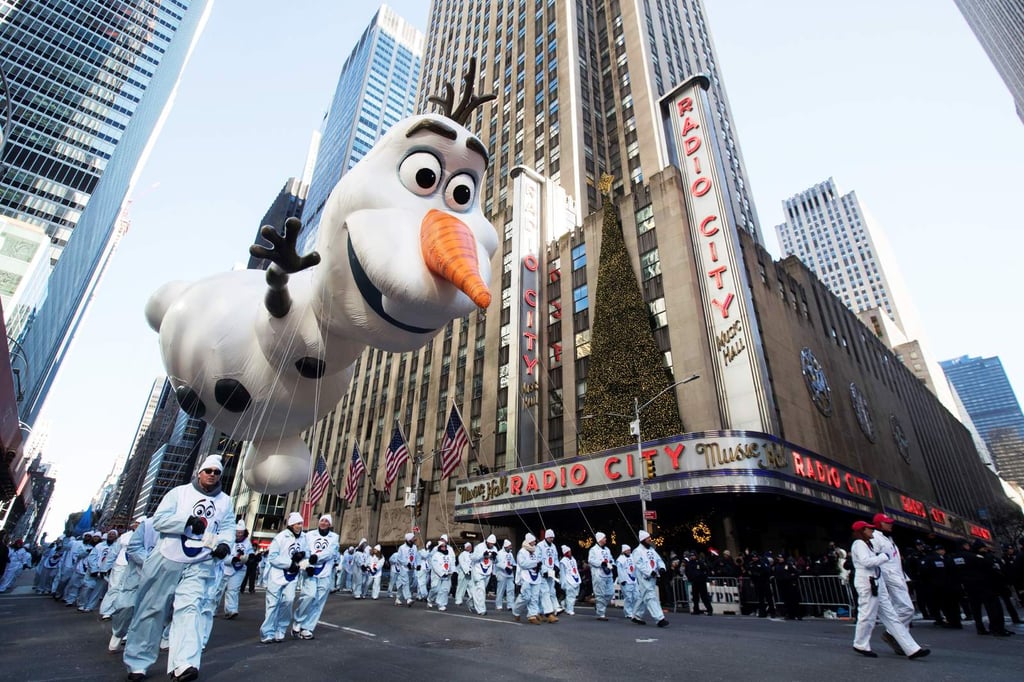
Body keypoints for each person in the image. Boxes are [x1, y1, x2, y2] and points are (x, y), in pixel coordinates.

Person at [123, 455, 235, 682]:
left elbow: (227, 526)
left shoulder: (226, 501)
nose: (212, 475)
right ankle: (138, 661)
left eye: (217, 472)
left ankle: (184, 663)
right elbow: (160, 520)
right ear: (200, 472)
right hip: (167, 557)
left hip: (200, 562)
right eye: (208, 471)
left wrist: (224, 544)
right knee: (152, 610)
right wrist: (186, 522)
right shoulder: (178, 493)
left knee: (190, 609)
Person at [849, 520, 929, 659]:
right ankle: (860, 644)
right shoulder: (859, 544)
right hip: (868, 583)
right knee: (867, 615)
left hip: (876, 581)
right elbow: (866, 562)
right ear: (862, 531)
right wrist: (883, 557)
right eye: (869, 529)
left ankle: (912, 648)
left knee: (891, 617)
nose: (872, 531)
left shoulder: (868, 544)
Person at [108, 516, 157, 653]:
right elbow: (134, 548)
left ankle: (136, 648)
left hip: (158, 578)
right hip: (136, 575)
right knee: (126, 606)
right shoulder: (147, 525)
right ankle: (118, 631)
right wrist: (152, 563)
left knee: (149, 611)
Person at [260, 512, 309, 643]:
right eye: (298, 523)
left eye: (301, 523)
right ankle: (267, 632)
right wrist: (289, 564)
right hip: (277, 575)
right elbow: (272, 557)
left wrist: (303, 557)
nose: (300, 526)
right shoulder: (280, 537)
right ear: (292, 524)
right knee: (273, 605)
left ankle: (280, 629)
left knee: (288, 601)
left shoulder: (304, 538)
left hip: (292, 577)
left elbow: (307, 554)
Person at [293, 514, 340, 639]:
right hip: (310, 571)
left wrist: (317, 557)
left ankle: (307, 628)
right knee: (309, 596)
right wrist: (305, 565)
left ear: (330, 524)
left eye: (326, 521)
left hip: (325, 573)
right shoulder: (309, 535)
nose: (324, 523)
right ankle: (298, 620)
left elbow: (330, 552)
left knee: (318, 602)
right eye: (322, 520)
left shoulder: (334, 537)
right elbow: (303, 552)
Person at [870, 513, 914, 640]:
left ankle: (901, 639)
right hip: (890, 577)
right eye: (887, 522)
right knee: (906, 608)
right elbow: (876, 560)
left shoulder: (888, 538)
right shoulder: (875, 538)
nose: (890, 525)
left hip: (898, 577)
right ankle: (892, 634)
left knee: (900, 608)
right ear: (880, 524)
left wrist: (905, 577)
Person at [216, 521, 252, 619]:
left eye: (241, 532)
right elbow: (221, 553)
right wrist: (232, 559)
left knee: (233, 590)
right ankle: (211, 609)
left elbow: (250, 553)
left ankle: (231, 610)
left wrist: (249, 557)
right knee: (217, 589)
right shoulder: (228, 539)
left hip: (239, 569)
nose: (239, 534)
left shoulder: (247, 542)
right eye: (237, 532)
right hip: (224, 567)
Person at [633, 530, 669, 628]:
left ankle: (637, 615)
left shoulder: (652, 550)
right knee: (650, 597)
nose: (650, 539)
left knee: (644, 597)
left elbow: (658, 560)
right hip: (644, 578)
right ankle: (660, 618)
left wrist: (661, 567)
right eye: (648, 538)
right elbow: (639, 565)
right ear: (643, 539)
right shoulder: (637, 551)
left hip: (653, 578)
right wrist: (649, 572)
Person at [78, 529, 119, 612]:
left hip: (105, 573)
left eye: (113, 534)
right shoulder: (99, 546)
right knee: (87, 587)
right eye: (110, 534)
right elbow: (92, 557)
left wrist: (106, 569)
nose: (111, 535)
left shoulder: (117, 547)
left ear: (116, 537)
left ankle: (90, 606)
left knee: (97, 591)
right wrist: (94, 569)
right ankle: (82, 604)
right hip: (93, 570)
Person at [512, 533, 542, 624]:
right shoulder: (522, 551)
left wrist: (539, 565)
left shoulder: (537, 550)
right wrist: (535, 563)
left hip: (536, 576)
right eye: (533, 541)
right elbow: (523, 564)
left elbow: (540, 560)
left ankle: (532, 616)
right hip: (525, 576)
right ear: (529, 541)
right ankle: (516, 611)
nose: (535, 542)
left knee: (534, 597)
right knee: (526, 596)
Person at [587, 531, 614, 622]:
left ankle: (598, 605)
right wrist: (600, 563)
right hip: (598, 574)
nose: (606, 539)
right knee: (600, 594)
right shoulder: (593, 550)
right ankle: (601, 613)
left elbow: (611, 559)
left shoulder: (607, 549)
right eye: (604, 538)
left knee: (610, 593)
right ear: (600, 539)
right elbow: (591, 560)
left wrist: (612, 564)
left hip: (608, 574)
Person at [470, 534, 498, 615]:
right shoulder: (479, 547)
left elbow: (496, 562)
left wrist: (494, 557)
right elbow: (473, 558)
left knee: (479, 591)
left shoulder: (494, 548)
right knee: (481, 590)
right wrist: (482, 555)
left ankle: (471, 602)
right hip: (478, 571)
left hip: (487, 572)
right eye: (490, 543)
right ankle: (481, 610)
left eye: (493, 544)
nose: (491, 545)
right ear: (487, 541)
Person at [537, 529, 560, 620]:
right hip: (543, 573)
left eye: (553, 537)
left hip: (551, 573)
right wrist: (543, 570)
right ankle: (549, 613)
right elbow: (538, 560)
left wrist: (556, 567)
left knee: (550, 592)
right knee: (545, 592)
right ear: (546, 537)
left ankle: (539, 611)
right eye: (550, 537)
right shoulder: (540, 546)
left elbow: (555, 558)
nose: (552, 539)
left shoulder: (553, 546)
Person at [428, 535, 455, 611]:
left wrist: (452, 571)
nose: (444, 547)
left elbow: (452, 562)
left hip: (447, 575)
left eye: (444, 546)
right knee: (435, 589)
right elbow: (434, 564)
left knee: (445, 590)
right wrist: (441, 573)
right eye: (442, 546)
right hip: (437, 574)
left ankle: (441, 604)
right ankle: (430, 599)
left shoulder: (449, 552)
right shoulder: (436, 553)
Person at [684, 550, 713, 616]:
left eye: (693, 555)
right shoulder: (689, 563)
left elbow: (706, 570)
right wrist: (690, 578)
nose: (692, 557)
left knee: (704, 596)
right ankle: (696, 610)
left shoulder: (700, 562)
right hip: (694, 581)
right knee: (695, 597)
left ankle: (709, 610)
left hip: (701, 581)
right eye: (691, 556)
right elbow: (687, 571)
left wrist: (703, 577)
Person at [617, 544, 640, 623]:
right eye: (628, 550)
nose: (629, 551)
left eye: (630, 550)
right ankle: (628, 613)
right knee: (628, 597)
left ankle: (634, 611)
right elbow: (619, 570)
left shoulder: (632, 557)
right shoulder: (620, 559)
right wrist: (622, 580)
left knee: (636, 596)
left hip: (634, 580)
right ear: (624, 551)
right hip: (626, 581)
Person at [394, 532, 418, 607]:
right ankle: (408, 599)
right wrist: (406, 563)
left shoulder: (414, 547)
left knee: (402, 583)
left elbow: (416, 557)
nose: (414, 540)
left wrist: (417, 565)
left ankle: (397, 598)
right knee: (406, 582)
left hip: (411, 569)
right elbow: (399, 558)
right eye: (413, 538)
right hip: (403, 568)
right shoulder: (402, 548)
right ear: (408, 540)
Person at [559, 545, 581, 615]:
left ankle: (564, 603)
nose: (570, 552)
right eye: (569, 551)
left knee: (574, 595)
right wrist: (563, 582)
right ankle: (569, 609)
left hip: (575, 578)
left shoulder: (573, 559)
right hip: (568, 580)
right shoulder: (563, 561)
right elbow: (562, 573)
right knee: (570, 595)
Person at [494, 538, 516, 611]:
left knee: (511, 590)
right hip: (502, 574)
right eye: (510, 546)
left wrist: (514, 566)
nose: (511, 547)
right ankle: (499, 605)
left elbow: (513, 562)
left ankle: (510, 605)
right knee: (501, 590)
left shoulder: (510, 554)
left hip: (510, 574)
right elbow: (497, 563)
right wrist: (505, 567)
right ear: (506, 546)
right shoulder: (499, 553)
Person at [454, 541, 473, 608]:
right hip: (463, 573)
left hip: (471, 574)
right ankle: (458, 600)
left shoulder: (472, 555)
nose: (470, 548)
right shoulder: (462, 554)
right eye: (468, 547)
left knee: (472, 588)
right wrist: (467, 571)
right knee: (461, 587)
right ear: (466, 548)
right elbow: (462, 564)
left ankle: (472, 601)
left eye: (470, 546)